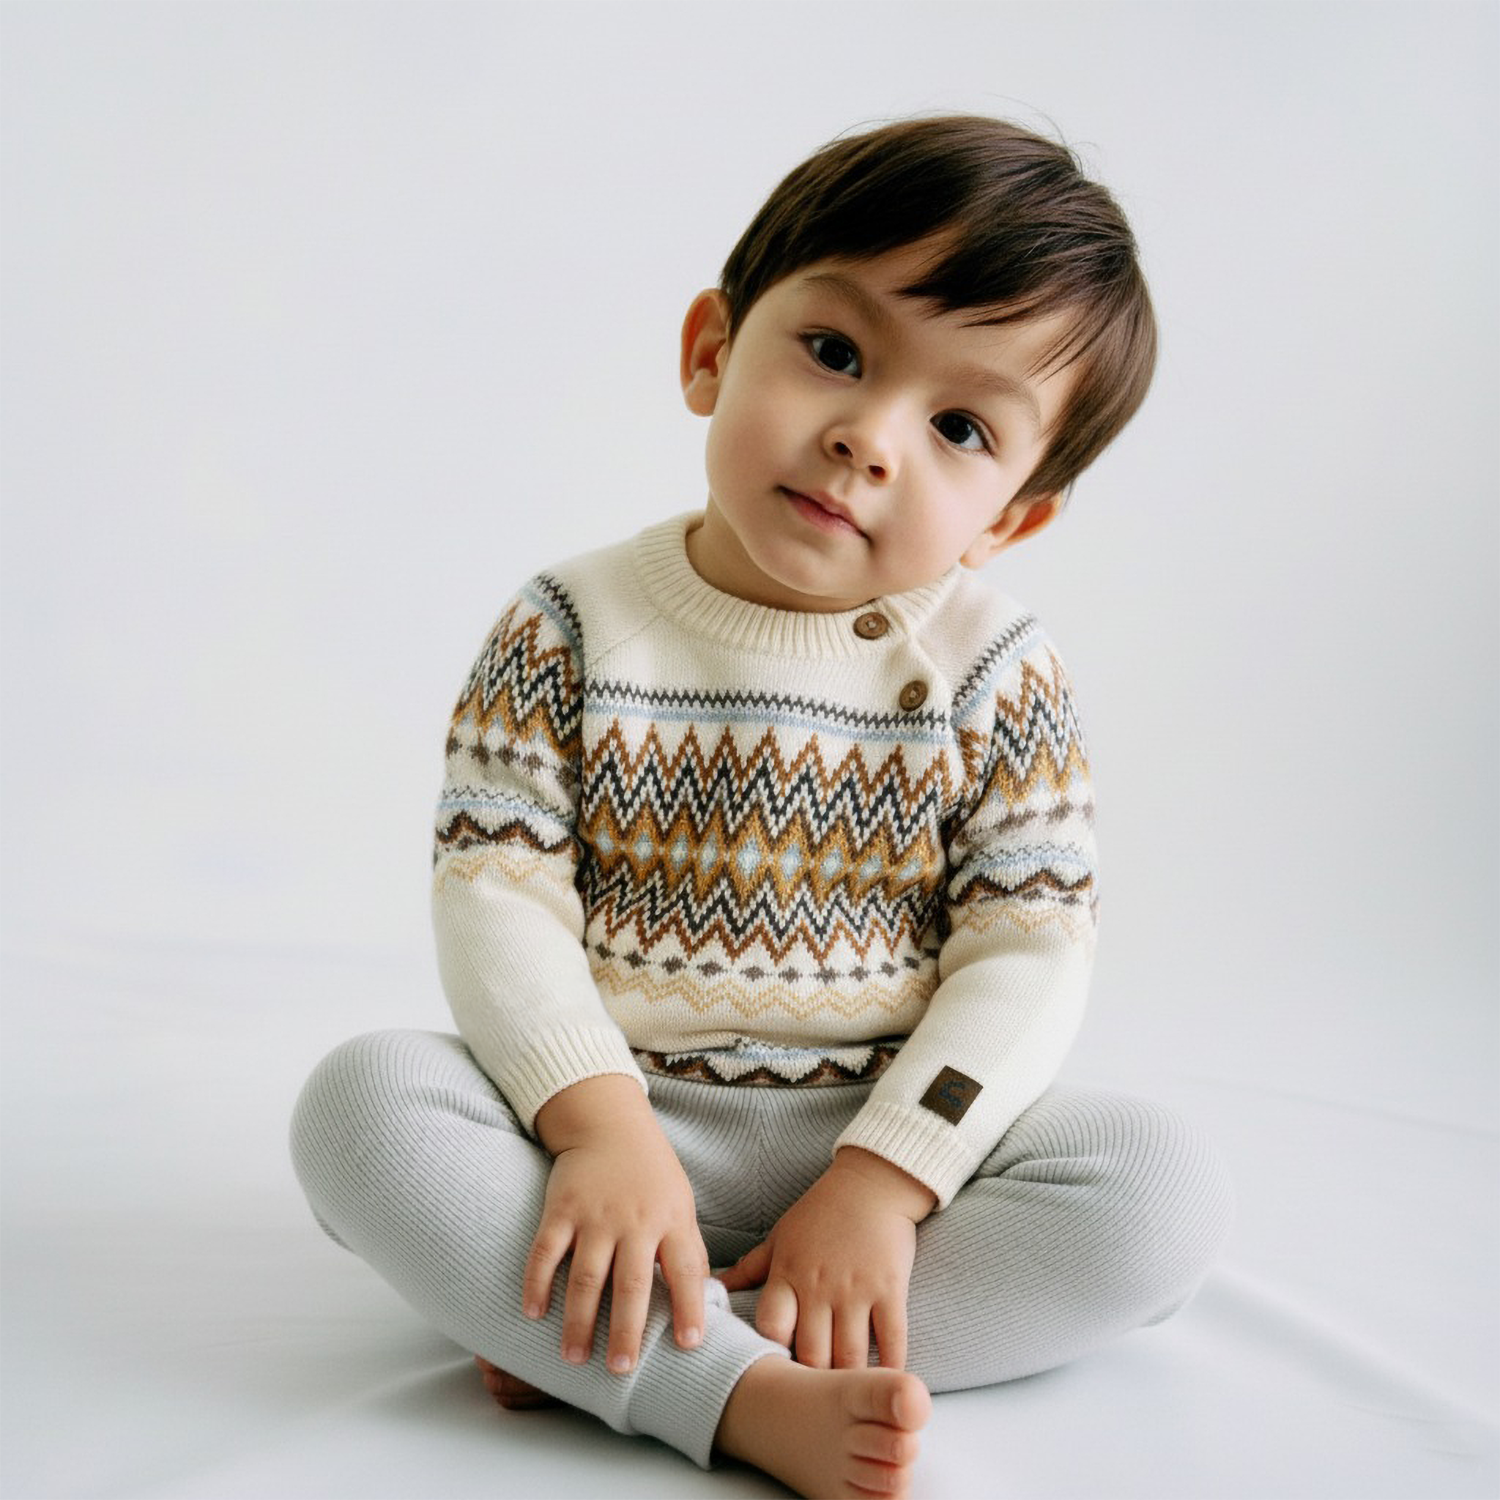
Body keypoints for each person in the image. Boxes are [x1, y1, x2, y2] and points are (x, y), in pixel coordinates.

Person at [291, 115, 1233, 1500]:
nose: (865, 438)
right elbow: (499, 899)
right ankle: (726, 1388)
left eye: (959, 426)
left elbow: (1028, 952)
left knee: (1158, 1195)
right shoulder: (570, 627)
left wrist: (887, 1183)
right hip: (607, 1122)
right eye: (837, 354)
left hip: (877, 1131)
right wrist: (597, 1129)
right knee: (363, 1108)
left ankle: (603, 1343)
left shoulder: (995, 673)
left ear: (1011, 518)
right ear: (711, 351)